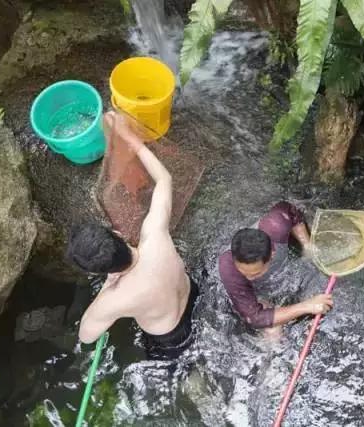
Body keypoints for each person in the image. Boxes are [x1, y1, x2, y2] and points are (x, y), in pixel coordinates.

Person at [66, 111, 198, 360]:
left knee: (177, 364)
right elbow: (164, 179)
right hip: (192, 293)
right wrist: (131, 139)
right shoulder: (155, 235)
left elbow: (86, 335)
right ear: (116, 234)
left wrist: (108, 286)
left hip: (170, 336)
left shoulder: (117, 298)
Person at [218, 202, 333, 330]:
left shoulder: (276, 225)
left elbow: (292, 211)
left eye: (256, 273)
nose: (249, 278)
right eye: (243, 272)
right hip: (256, 295)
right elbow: (254, 318)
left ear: (271, 255)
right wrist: (306, 306)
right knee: (272, 331)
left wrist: (307, 244)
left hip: (282, 275)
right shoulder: (228, 266)